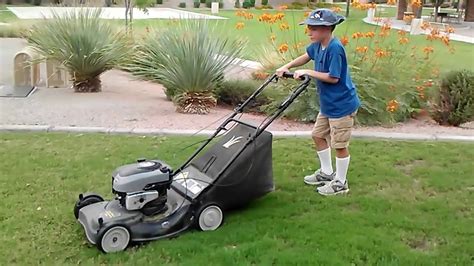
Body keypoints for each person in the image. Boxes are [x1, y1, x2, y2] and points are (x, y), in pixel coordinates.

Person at [276, 8, 360, 196]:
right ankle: (327, 173)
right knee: (317, 135)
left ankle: (341, 182)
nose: (309, 32)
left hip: (342, 105)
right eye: (309, 28)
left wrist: (308, 72)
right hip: (328, 104)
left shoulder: (335, 48)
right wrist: (286, 66)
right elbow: (306, 57)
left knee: (339, 145)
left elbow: (333, 78)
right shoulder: (317, 45)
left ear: (327, 28)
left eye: (313, 29)